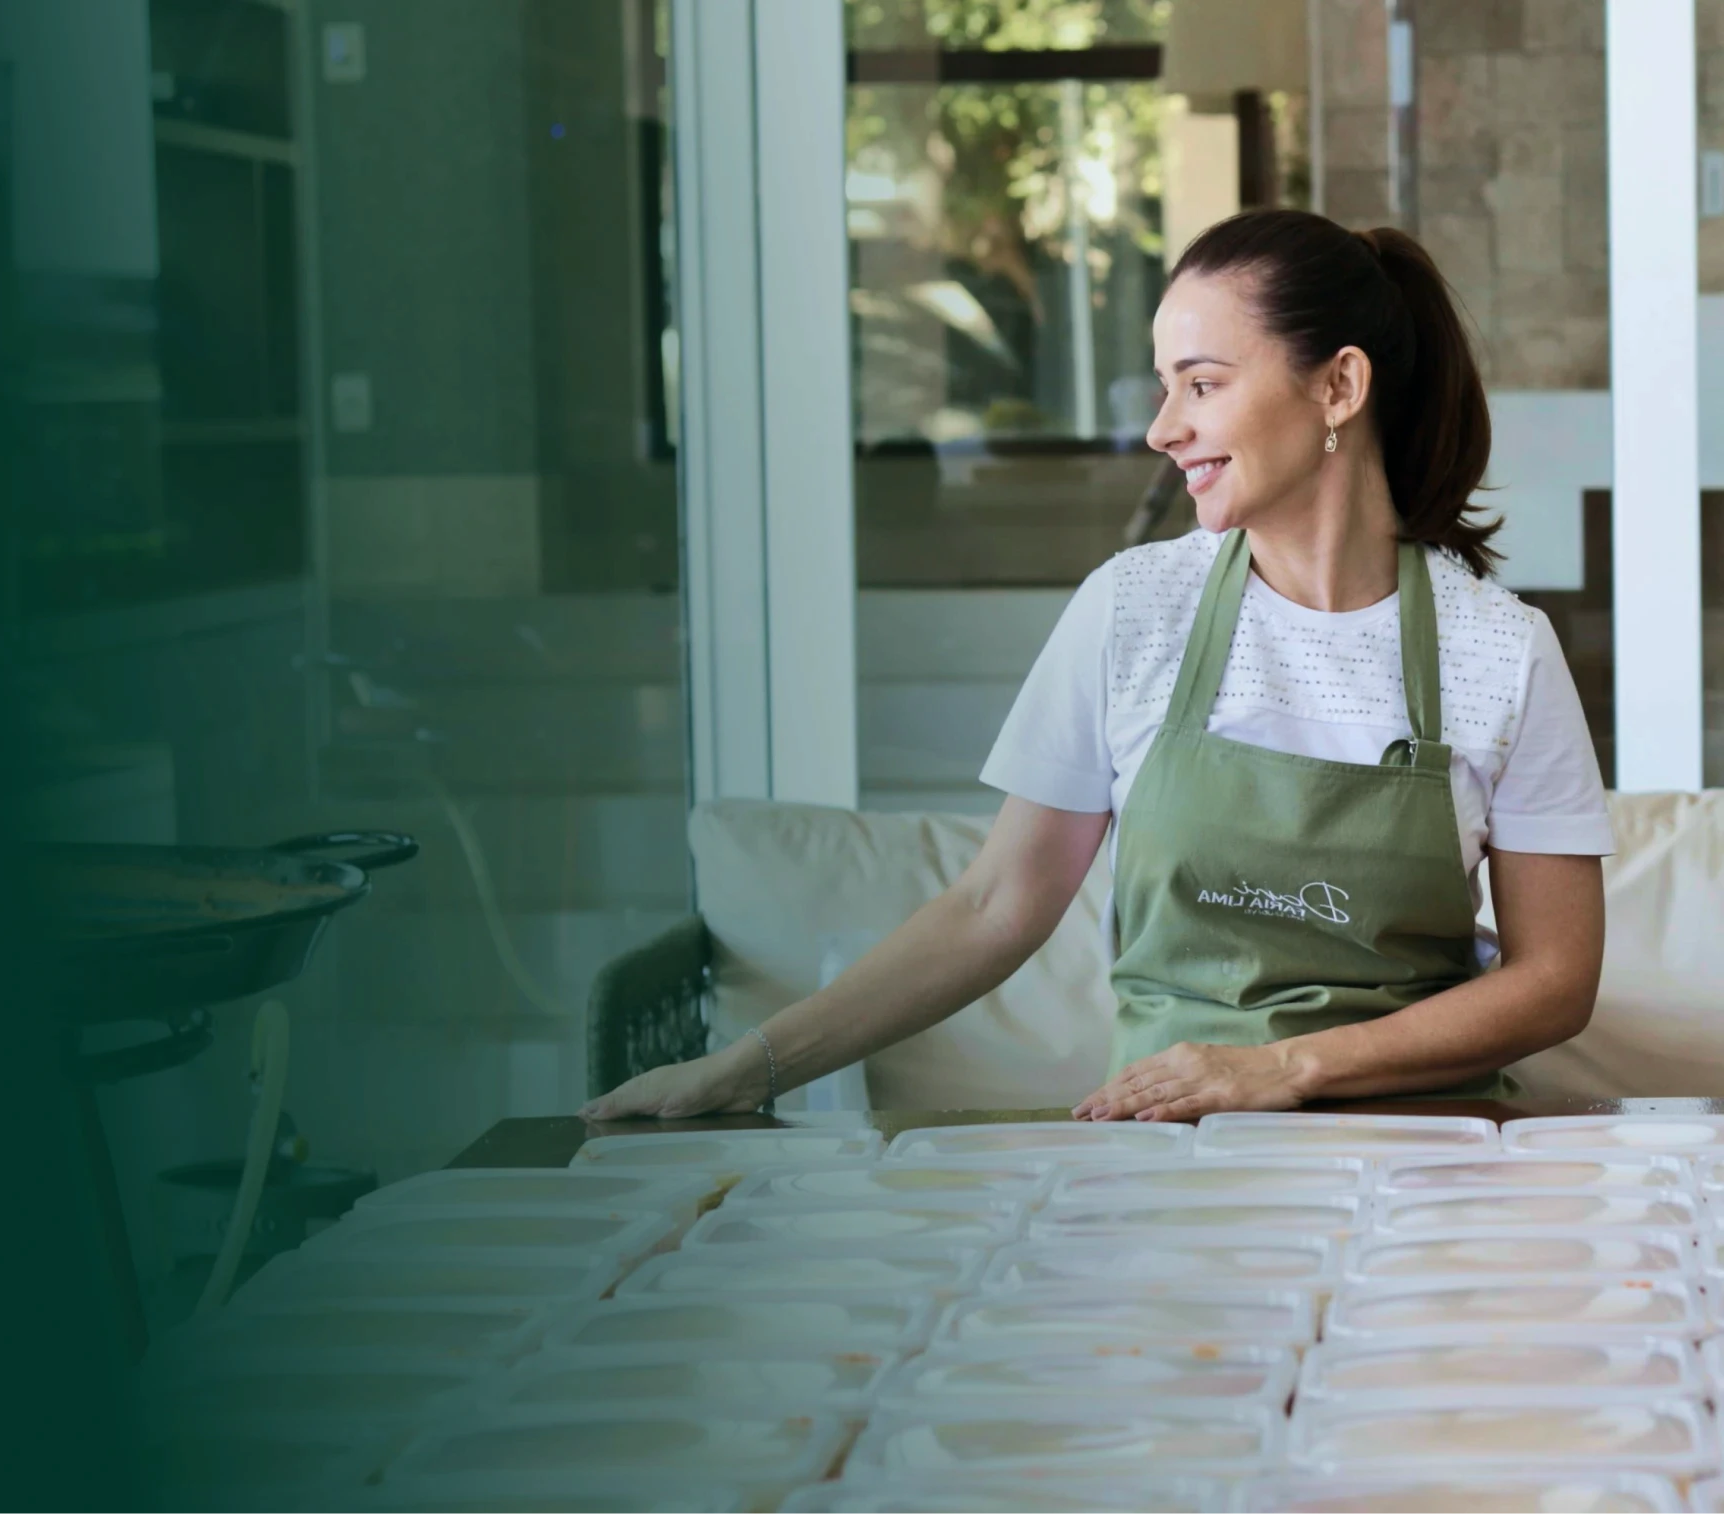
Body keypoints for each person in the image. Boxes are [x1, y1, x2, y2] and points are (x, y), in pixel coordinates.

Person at [582, 207, 1612, 1124]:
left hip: (1426, 1150)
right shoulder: (1134, 609)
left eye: (1201, 384)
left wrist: (1286, 1067)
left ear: (1339, 384)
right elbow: (995, 905)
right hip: (1169, 1154)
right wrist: (745, 1067)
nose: (1165, 429)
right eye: (1165, 388)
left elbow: (1557, 978)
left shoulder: (1499, 651)